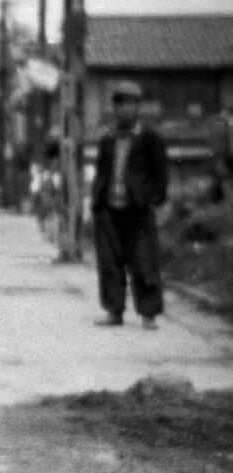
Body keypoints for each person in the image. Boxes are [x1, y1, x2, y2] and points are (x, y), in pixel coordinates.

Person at [90, 80, 168, 330]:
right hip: (110, 208)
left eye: (131, 105)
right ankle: (114, 311)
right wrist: (97, 201)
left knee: (144, 261)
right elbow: (101, 171)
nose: (125, 110)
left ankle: (148, 314)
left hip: (137, 209)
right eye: (121, 105)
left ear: (138, 108)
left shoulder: (150, 138)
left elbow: (160, 174)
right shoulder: (108, 139)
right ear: (115, 109)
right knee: (110, 263)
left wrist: (152, 199)